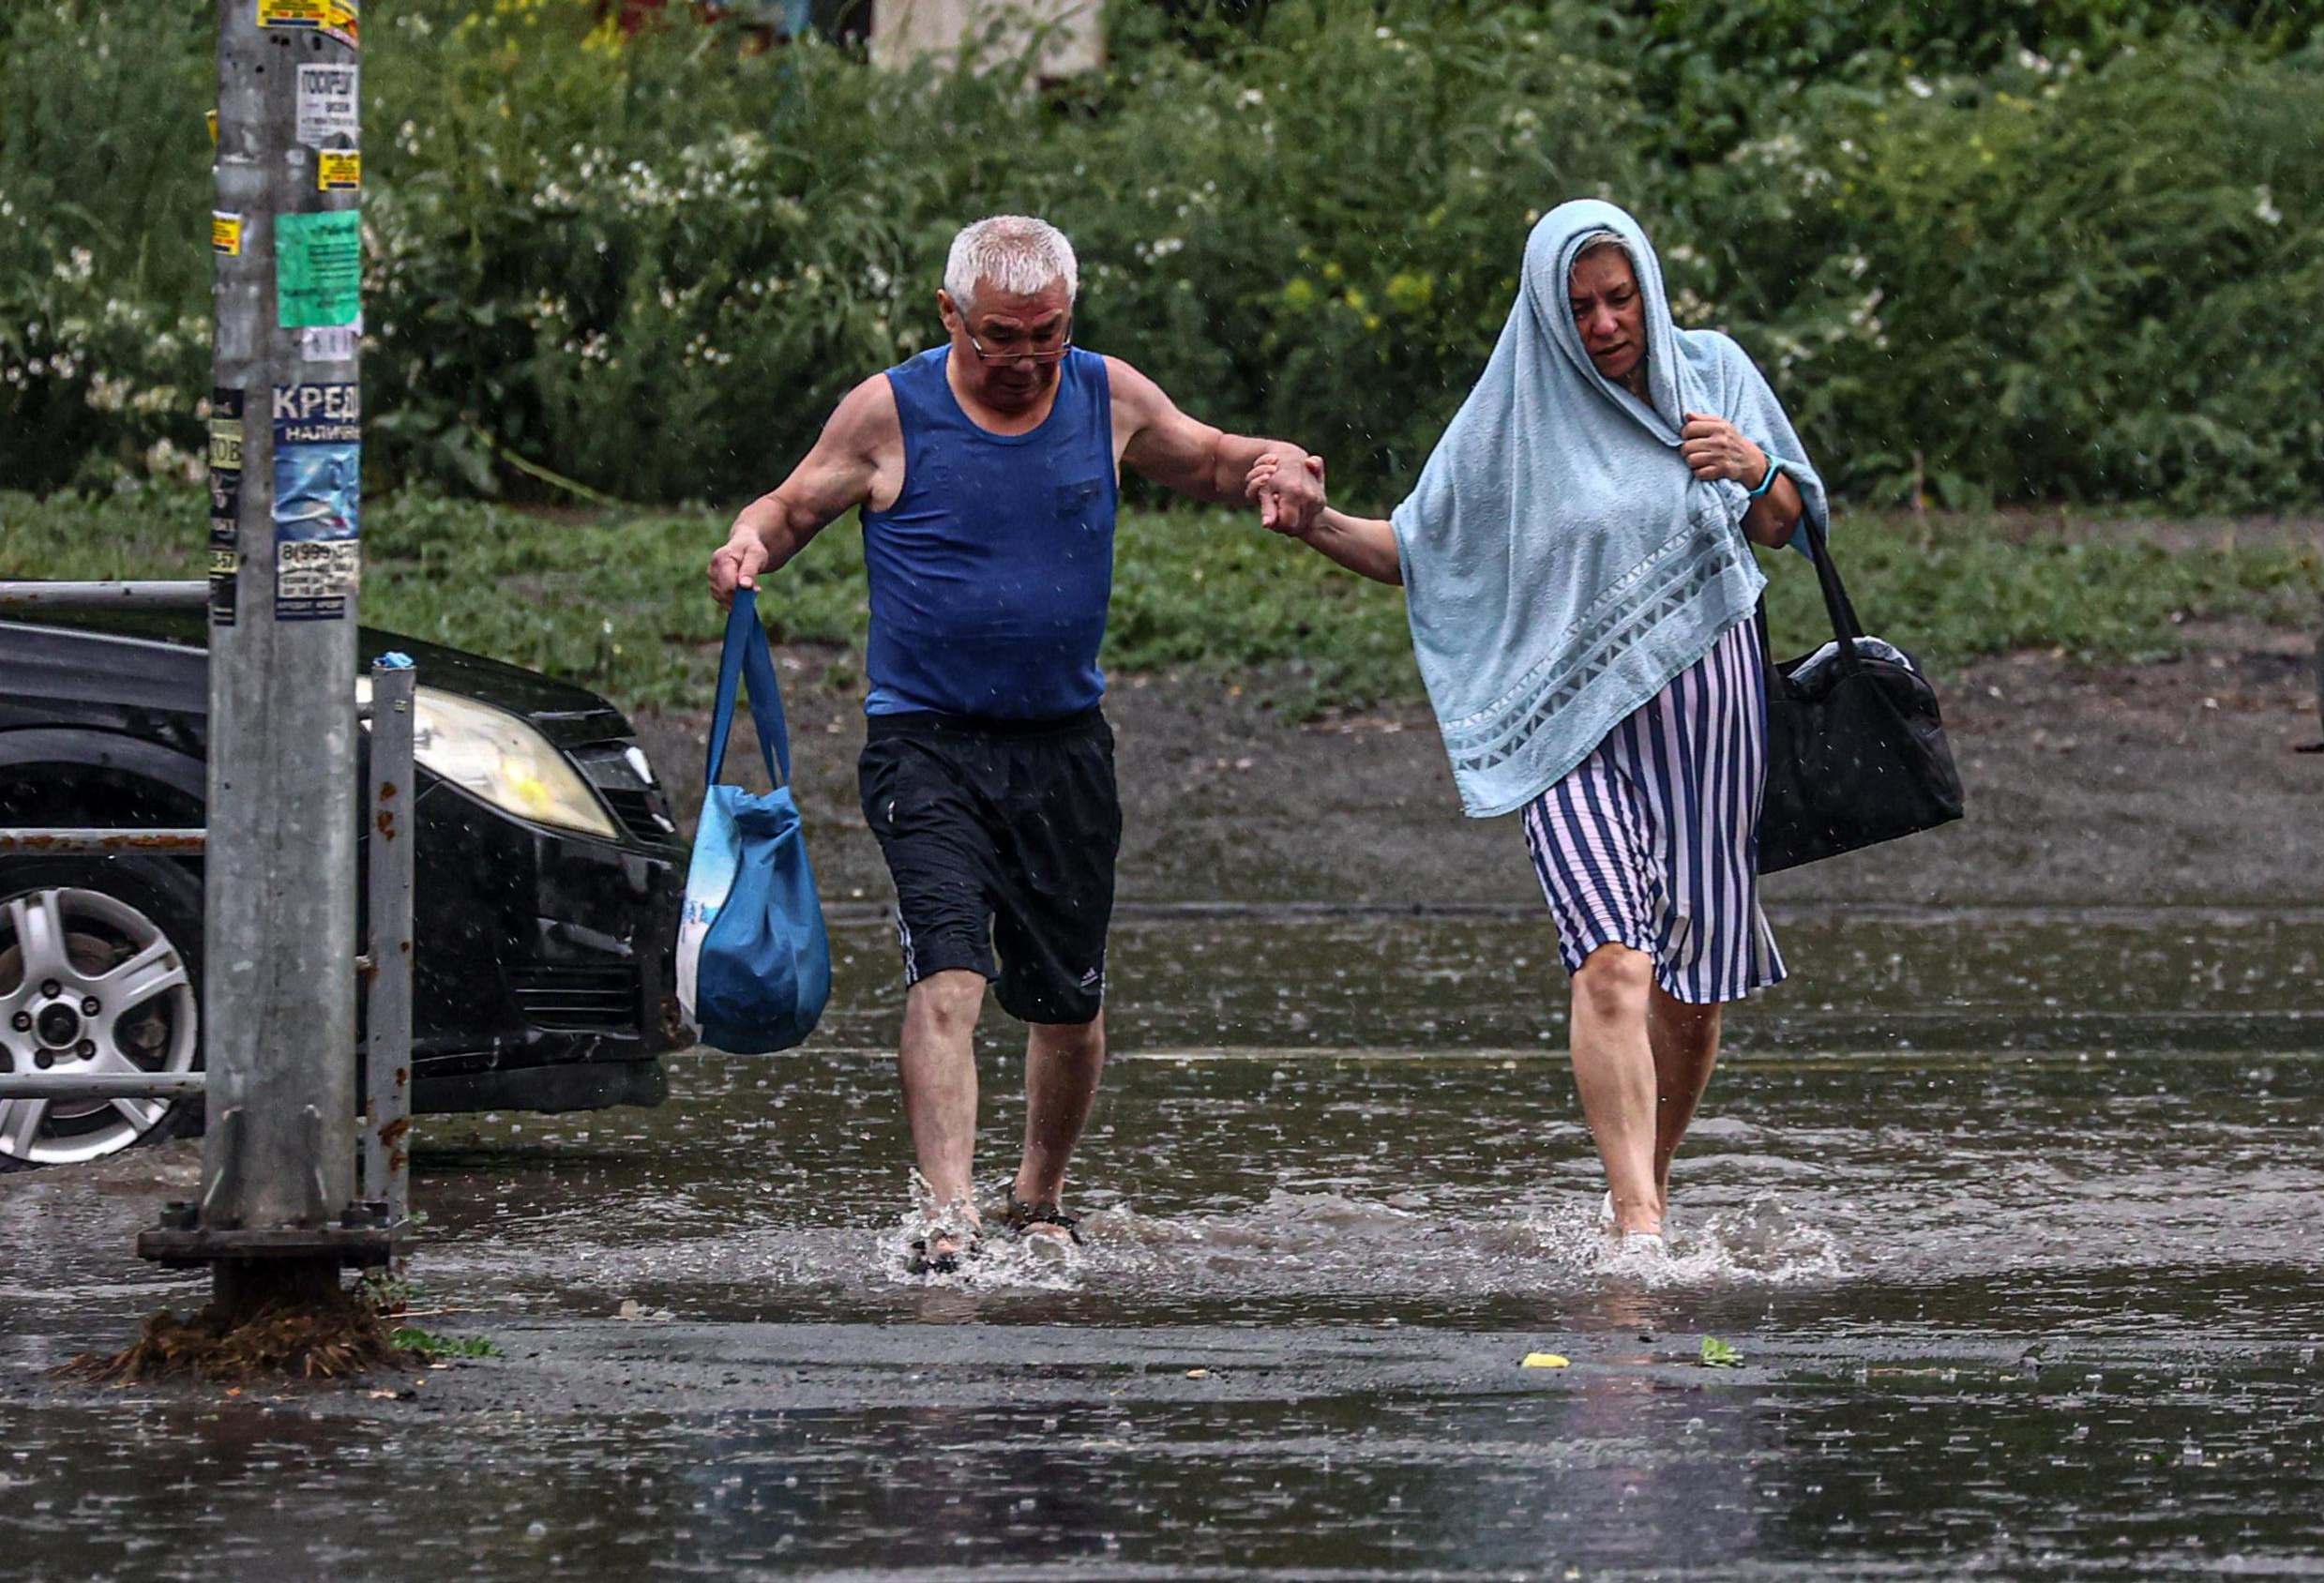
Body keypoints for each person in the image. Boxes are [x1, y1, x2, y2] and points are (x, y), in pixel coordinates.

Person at [708, 215, 1324, 1272]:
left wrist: (1274, 463)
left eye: (1047, 332)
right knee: (948, 976)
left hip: (1064, 749)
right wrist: (747, 542)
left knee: (1069, 1004)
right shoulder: (888, 413)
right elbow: (794, 504)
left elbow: (1213, 460)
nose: (1027, 357)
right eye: (1002, 335)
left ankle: (1038, 1194)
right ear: (950, 315)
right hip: (926, 746)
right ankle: (949, 1218)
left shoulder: (1105, 395)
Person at [1252, 199, 1824, 1251]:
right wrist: (1313, 520)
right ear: (1546, 314)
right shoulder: (1510, 416)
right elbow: (1414, 550)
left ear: (1648, 288)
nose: (1605, 325)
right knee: (1613, 960)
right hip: (1566, 734)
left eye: (1619, 300)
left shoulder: (1714, 373)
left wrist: (1755, 466)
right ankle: (1641, 1225)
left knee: (1691, 993)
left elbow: (1789, 524)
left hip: (1712, 717)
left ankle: (1643, 1182)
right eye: (1581, 308)